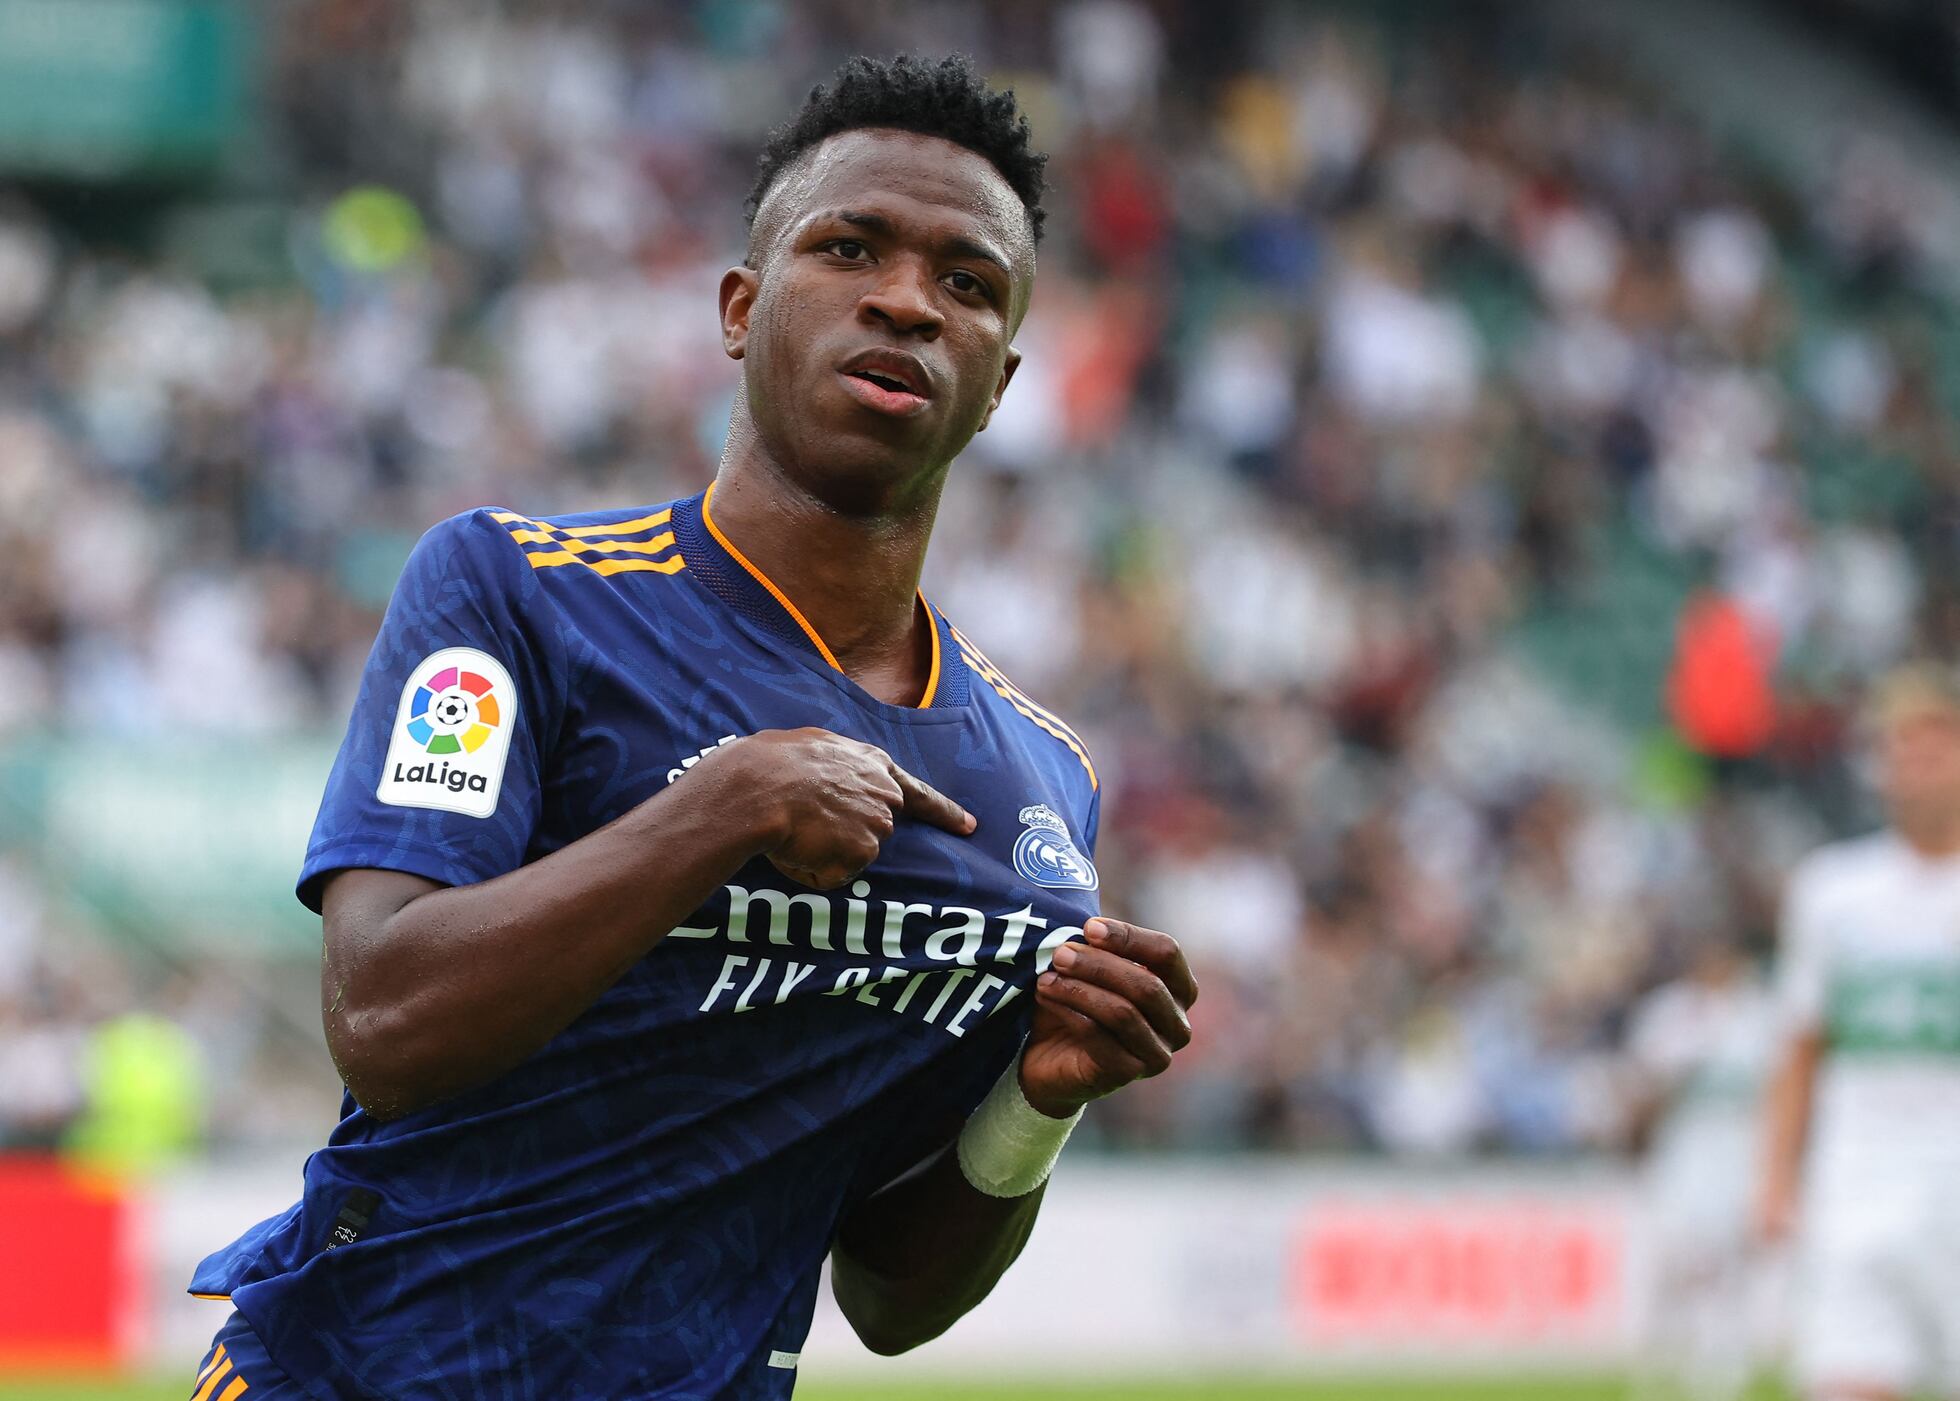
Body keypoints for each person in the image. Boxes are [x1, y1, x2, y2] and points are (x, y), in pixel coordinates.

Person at [184, 55, 1197, 1400]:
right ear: (740, 307)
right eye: (851, 249)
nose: (908, 300)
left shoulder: (1040, 783)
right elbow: (383, 1017)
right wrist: (725, 807)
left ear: (1000, 380)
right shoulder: (518, 592)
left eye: (967, 283)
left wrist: (1038, 1103)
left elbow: (890, 1298)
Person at [1759, 663, 1960, 1401]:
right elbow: (1800, 1045)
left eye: (1936, 741)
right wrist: (1777, 1178)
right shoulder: (1832, 891)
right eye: (1900, 745)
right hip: (1859, 1180)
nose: (1918, 762)